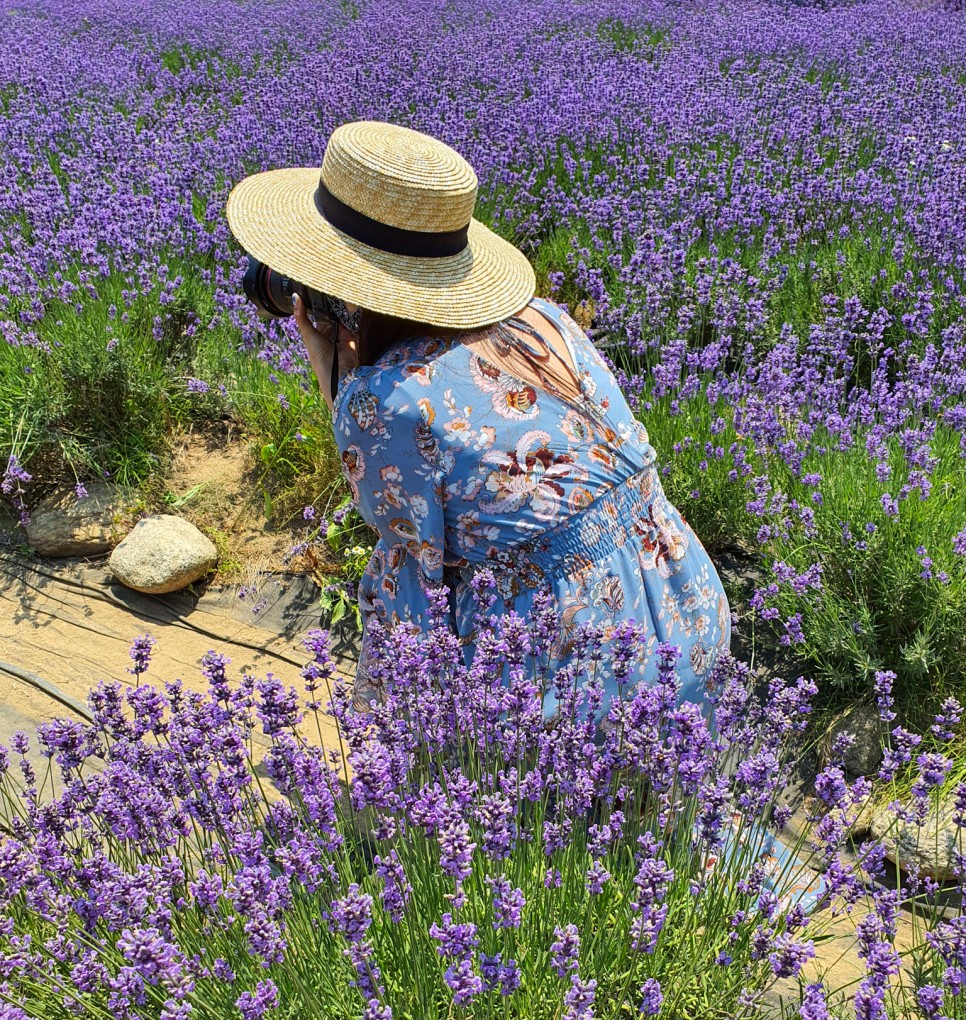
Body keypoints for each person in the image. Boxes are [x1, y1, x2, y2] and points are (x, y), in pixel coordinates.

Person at [226, 120, 827, 915]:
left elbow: (408, 554)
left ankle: (495, 821)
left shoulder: (383, 399)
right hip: (681, 614)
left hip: (568, 670)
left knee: (409, 599)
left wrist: (337, 381)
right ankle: (665, 817)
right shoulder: (547, 323)